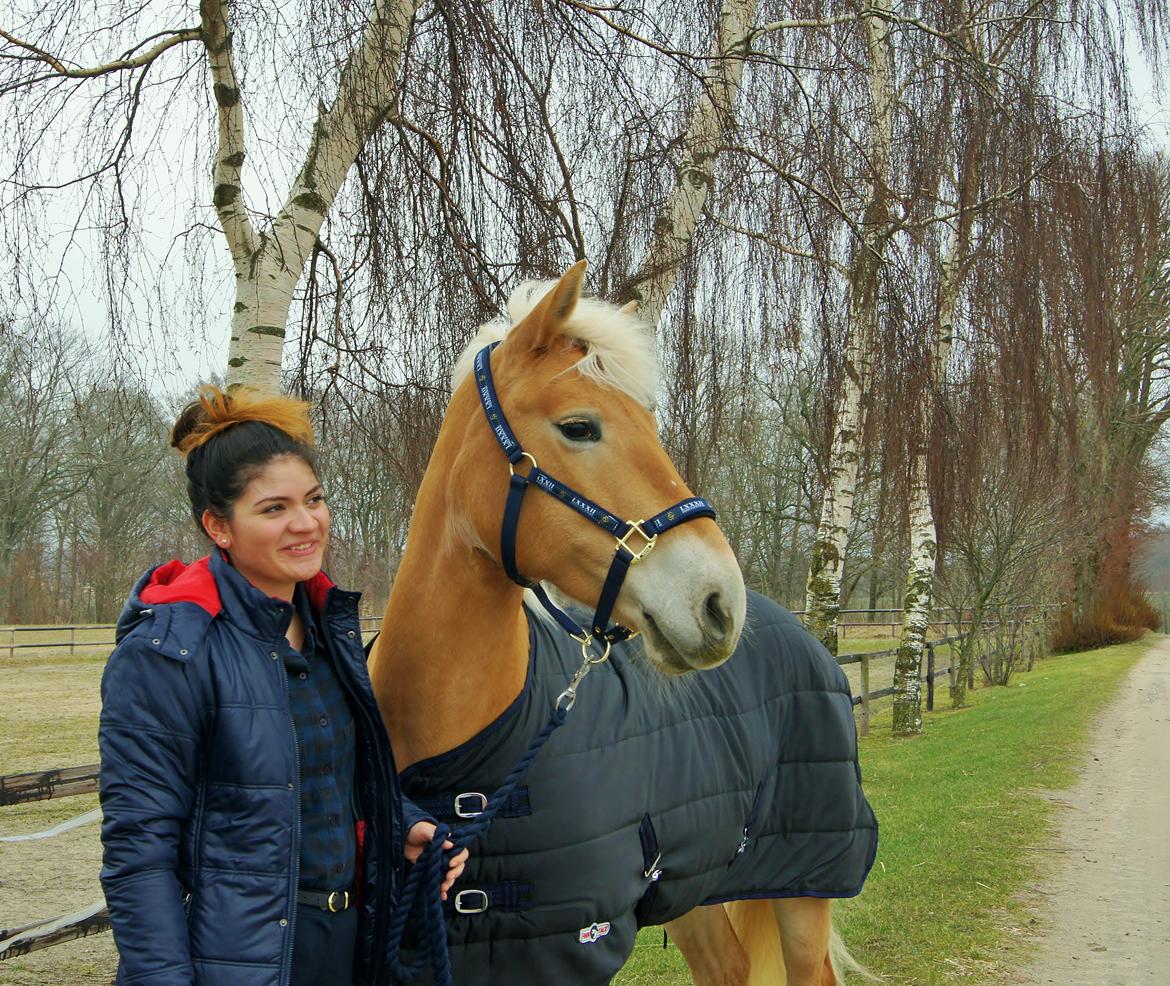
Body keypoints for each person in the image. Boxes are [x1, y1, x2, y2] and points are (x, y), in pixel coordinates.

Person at [98, 385, 467, 986]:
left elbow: (326, 780)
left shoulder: (328, 627)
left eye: (314, 499)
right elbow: (140, 851)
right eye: (274, 509)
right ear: (218, 526)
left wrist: (404, 826)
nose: (306, 524)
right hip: (236, 961)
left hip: (345, 946)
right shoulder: (167, 653)